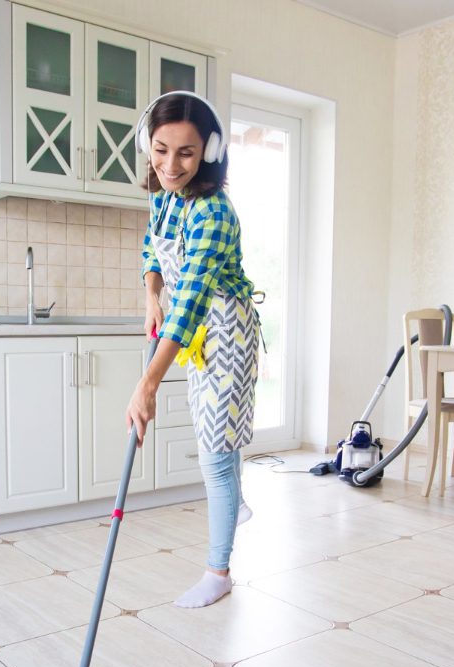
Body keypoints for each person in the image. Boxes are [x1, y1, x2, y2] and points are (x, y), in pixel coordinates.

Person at [124, 91, 260, 609]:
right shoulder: (163, 196)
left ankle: (218, 571)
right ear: (147, 145)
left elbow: (194, 305)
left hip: (225, 328)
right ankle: (236, 502)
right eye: (160, 150)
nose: (170, 165)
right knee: (213, 436)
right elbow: (149, 249)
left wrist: (148, 382)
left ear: (210, 150)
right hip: (192, 330)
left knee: (214, 454)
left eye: (185, 152)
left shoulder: (214, 214)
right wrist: (151, 293)